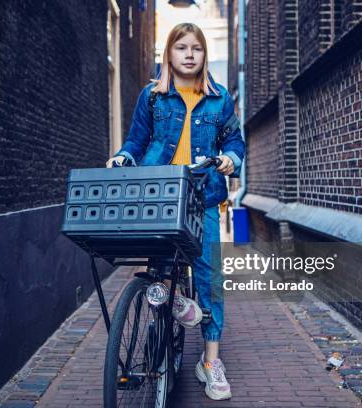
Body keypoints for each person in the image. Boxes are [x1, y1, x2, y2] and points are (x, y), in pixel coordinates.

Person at [106, 22, 245, 401]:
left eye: (196, 48)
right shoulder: (152, 96)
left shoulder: (219, 99)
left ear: (203, 56)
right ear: (169, 54)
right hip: (160, 194)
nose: (189, 54)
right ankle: (172, 300)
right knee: (160, 268)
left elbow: (234, 141)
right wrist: (123, 155)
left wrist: (231, 159)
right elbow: (136, 138)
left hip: (204, 195)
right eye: (181, 47)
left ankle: (210, 361)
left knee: (210, 278)